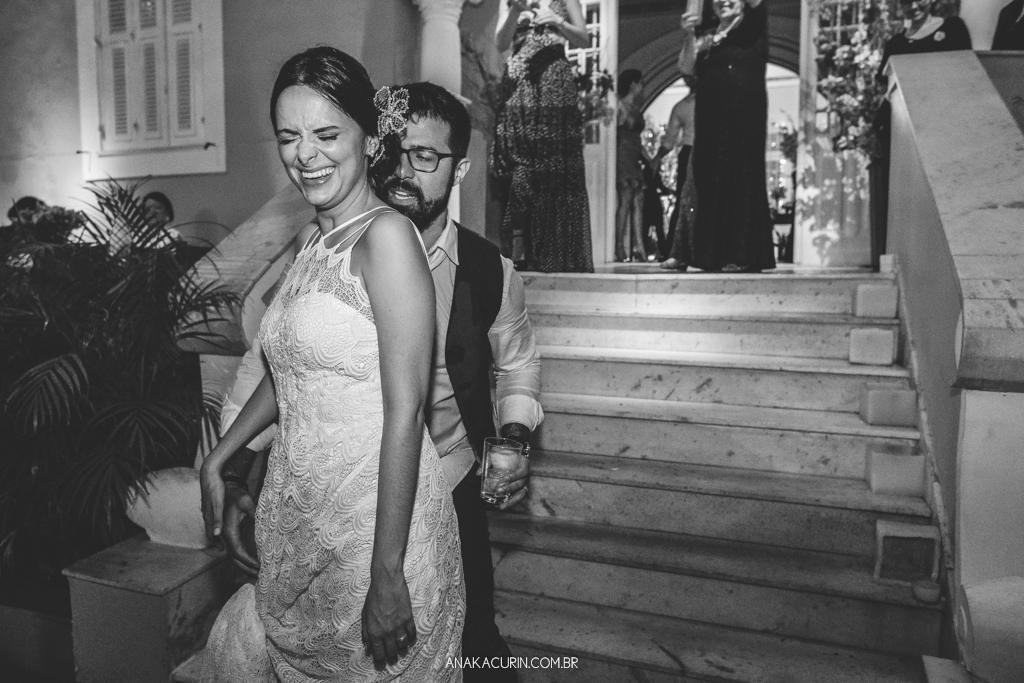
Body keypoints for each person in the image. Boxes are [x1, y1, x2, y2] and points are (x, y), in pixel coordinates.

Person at [208, 83, 543, 683]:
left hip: (447, 472)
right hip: (338, 493)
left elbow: (516, 365)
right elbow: (282, 367)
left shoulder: (492, 272)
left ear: (459, 168)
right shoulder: (335, 243)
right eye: (398, 149)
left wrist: (514, 436)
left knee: (477, 642)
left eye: (427, 156)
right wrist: (231, 467)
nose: (405, 169)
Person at [492, 0, 594, 273]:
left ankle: (554, 251)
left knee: (554, 166)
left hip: (554, 80)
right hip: (519, 82)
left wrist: (557, 21)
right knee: (517, 160)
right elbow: (501, 43)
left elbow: (584, 39)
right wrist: (515, 10)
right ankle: (519, 248)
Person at [872, 0, 971, 268]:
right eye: (906, 1)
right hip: (900, 132)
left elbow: (964, 72)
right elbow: (884, 85)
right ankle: (901, 258)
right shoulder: (894, 44)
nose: (913, 5)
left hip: (941, 127)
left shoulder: (953, 28)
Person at [678, 0, 775, 273]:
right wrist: (688, 33)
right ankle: (711, 256)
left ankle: (743, 254)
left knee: (741, 174)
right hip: (710, 117)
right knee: (710, 178)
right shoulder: (707, 34)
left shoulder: (752, 25)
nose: (723, 1)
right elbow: (686, 68)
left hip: (744, 113)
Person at [652, 86, 695, 268]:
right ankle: (677, 252)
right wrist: (658, 157)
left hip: (700, 152)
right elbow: (669, 139)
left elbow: (669, 140)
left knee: (685, 202)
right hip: (691, 152)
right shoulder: (681, 107)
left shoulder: (682, 107)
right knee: (683, 201)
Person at [615, 69, 648, 263]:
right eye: (640, 83)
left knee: (638, 201)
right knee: (626, 200)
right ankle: (619, 245)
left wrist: (647, 158)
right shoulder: (620, 106)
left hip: (635, 156)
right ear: (633, 84)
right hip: (623, 156)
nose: (642, 87)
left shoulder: (632, 108)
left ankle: (639, 247)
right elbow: (616, 136)